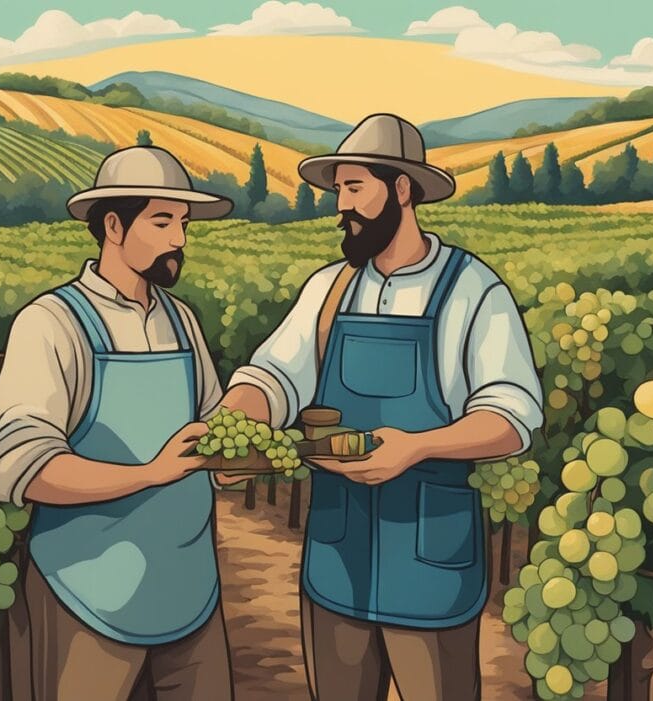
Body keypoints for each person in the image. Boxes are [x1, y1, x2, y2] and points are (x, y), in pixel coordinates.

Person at [220, 114, 544, 700]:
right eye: (338, 190)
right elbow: (272, 377)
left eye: (353, 189)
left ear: (401, 189)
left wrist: (419, 445)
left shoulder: (471, 289)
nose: (340, 206)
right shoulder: (329, 289)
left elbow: (511, 415)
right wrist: (238, 419)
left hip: (429, 564)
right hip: (337, 559)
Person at [0, 146, 236, 700]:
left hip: (190, 593)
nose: (180, 240)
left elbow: (213, 430)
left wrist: (236, 462)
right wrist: (150, 473)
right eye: (163, 221)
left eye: (184, 224)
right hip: (86, 599)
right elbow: (29, 469)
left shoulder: (182, 320)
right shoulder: (51, 323)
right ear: (114, 226)